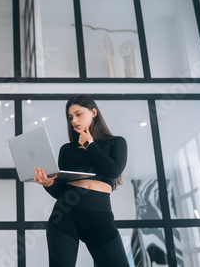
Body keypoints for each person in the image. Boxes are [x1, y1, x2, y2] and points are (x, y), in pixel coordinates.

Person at [33, 95, 129, 267]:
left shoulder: (116, 142)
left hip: (100, 217)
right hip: (64, 215)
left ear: (93, 112)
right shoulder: (67, 149)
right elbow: (59, 190)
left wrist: (89, 145)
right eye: (70, 117)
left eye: (78, 114)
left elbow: (114, 170)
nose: (74, 120)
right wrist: (48, 184)